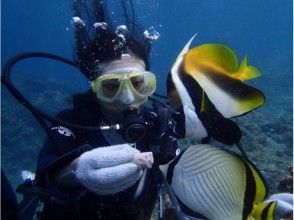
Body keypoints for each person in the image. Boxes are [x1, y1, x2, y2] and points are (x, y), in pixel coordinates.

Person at [35, 1, 180, 219]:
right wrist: (77, 170)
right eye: (112, 86)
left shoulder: (159, 122)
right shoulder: (69, 123)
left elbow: (176, 172)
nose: (129, 98)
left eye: (139, 83)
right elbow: (48, 177)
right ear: (95, 88)